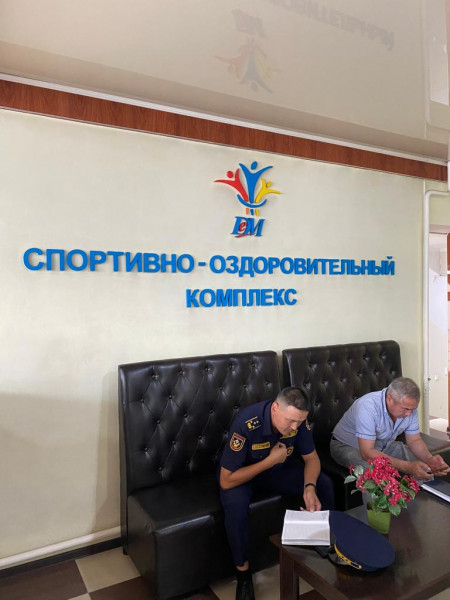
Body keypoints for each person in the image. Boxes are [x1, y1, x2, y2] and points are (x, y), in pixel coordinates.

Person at [219, 387, 334, 600]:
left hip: (278, 471)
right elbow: (226, 480)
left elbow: (311, 459)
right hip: (244, 476)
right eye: (290, 421)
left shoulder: (298, 422)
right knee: (235, 508)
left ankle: (324, 545)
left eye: (299, 422)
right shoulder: (247, 423)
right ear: (274, 408)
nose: (294, 427)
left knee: (324, 484)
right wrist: (269, 461)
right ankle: (243, 576)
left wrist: (309, 487)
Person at [330, 377, 450, 480]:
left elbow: (415, 440)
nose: (409, 414)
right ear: (389, 399)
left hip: (381, 445)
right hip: (346, 446)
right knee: (374, 471)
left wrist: (429, 459)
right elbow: (366, 453)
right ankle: (383, 502)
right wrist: (408, 467)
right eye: (405, 409)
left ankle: (428, 497)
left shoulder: (409, 407)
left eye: (412, 409)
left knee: (424, 466)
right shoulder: (367, 407)